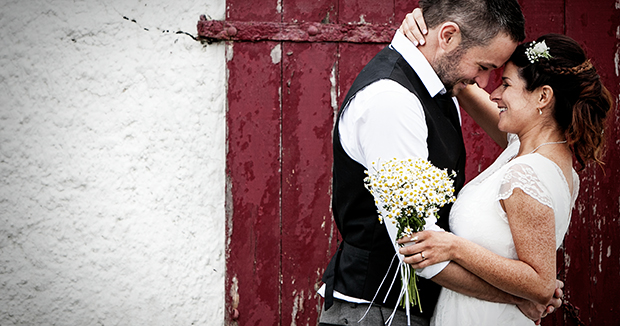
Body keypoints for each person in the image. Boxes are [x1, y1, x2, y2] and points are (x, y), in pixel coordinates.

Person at [317, 1, 562, 325]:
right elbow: (421, 251)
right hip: (377, 311)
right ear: (447, 36)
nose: (485, 83)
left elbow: (530, 138)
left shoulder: (439, 88)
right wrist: (521, 295)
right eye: (484, 66)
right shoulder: (393, 102)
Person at [399, 15, 613, 325]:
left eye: (507, 84)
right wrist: (423, 31)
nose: (495, 94)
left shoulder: (529, 174)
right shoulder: (528, 149)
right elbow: (464, 86)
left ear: (543, 97)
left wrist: (453, 247)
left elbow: (540, 284)